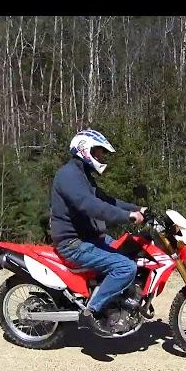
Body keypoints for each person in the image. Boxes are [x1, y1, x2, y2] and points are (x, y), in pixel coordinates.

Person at [50, 129, 146, 335]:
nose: (101, 157)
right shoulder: (68, 175)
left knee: (131, 250)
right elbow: (90, 205)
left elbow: (107, 200)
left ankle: (118, 302)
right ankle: (93, 311)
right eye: (98, 152)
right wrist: (127, 216)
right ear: (85, 150)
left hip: (91, 238)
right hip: (73, 243)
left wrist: (136, 208)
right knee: (126, 267)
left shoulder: (83, 175)